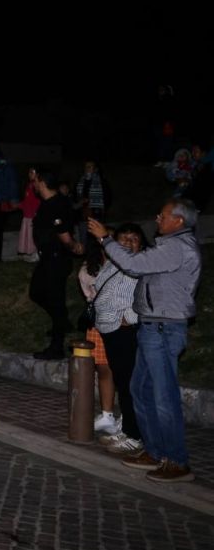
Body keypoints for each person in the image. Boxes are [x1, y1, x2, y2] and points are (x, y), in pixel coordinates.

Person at [90, 200, 202, 483]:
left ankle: (177, 461)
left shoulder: (177, 247)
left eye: (162, 215)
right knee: (140, 389)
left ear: (177, 221)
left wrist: (105, 238)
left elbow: (133, 264)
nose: (157, 218)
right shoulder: (168, 245)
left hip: (164, 328)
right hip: (152, 328)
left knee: (163, 397)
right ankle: (153, 450)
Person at [87, 224, 146, 456]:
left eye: (134, 239)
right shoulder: (112, 263)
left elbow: (138, 293)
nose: (129, 243)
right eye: (124, 239)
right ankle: (127, 428)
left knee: (130, 383)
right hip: (110, 329)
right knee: (122, 382)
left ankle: (135, 436)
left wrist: (128, 318)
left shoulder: (140, 263)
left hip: (125, 330)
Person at [29, 172, 83, 360]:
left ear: (43, 182)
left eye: (35, 180)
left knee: (56, 300)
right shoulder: (49, 202)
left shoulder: (55, 204)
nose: (32, 184)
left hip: (56, 258)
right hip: (47, 258)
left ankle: (57, 347)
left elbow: (63, 233)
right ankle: (62, 321)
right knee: (36, 292)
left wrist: (73, 246)